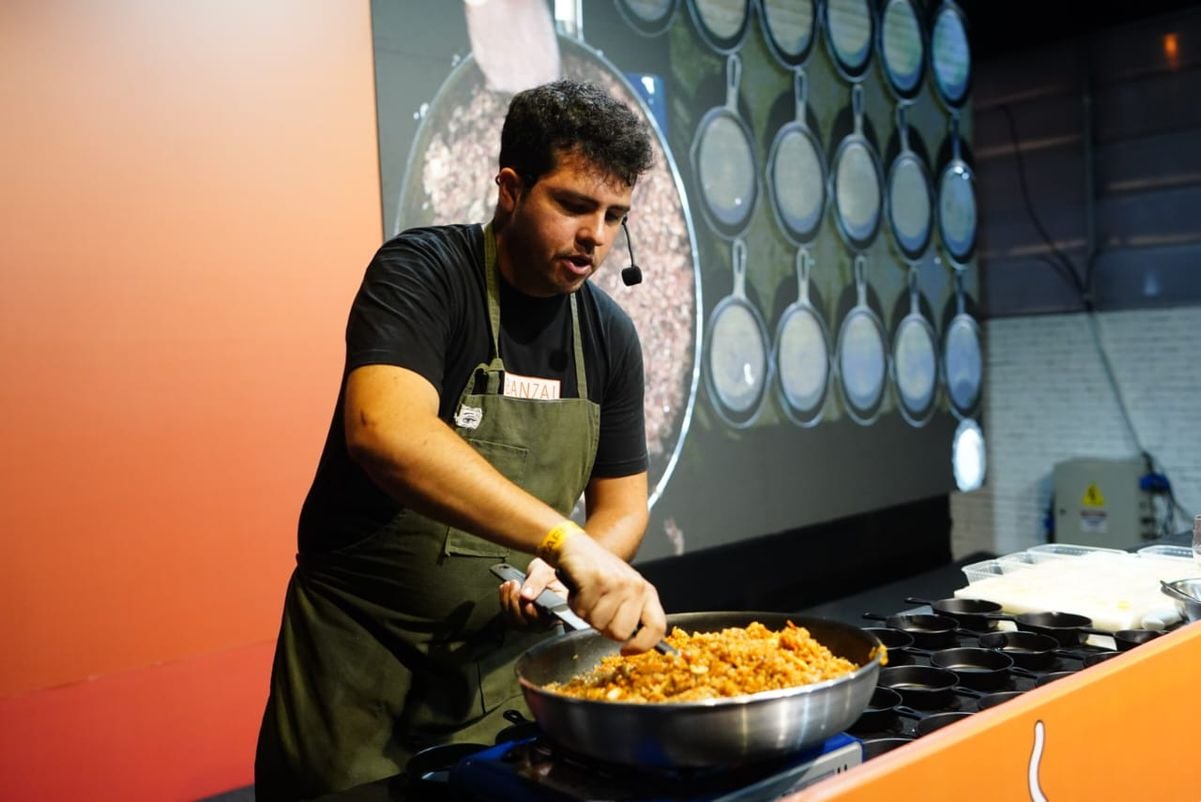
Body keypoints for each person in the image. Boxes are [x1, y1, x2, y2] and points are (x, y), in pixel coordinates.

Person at [254, 79, 668, 801]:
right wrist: (564, 543)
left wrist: (573, 567)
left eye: (613, 216)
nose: (595, 237)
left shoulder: (608, 337)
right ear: (510, 189)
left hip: (504, 687)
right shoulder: (422, 275)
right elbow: (385, 432)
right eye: (572, 205)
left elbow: (622, 504)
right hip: (359, 683)